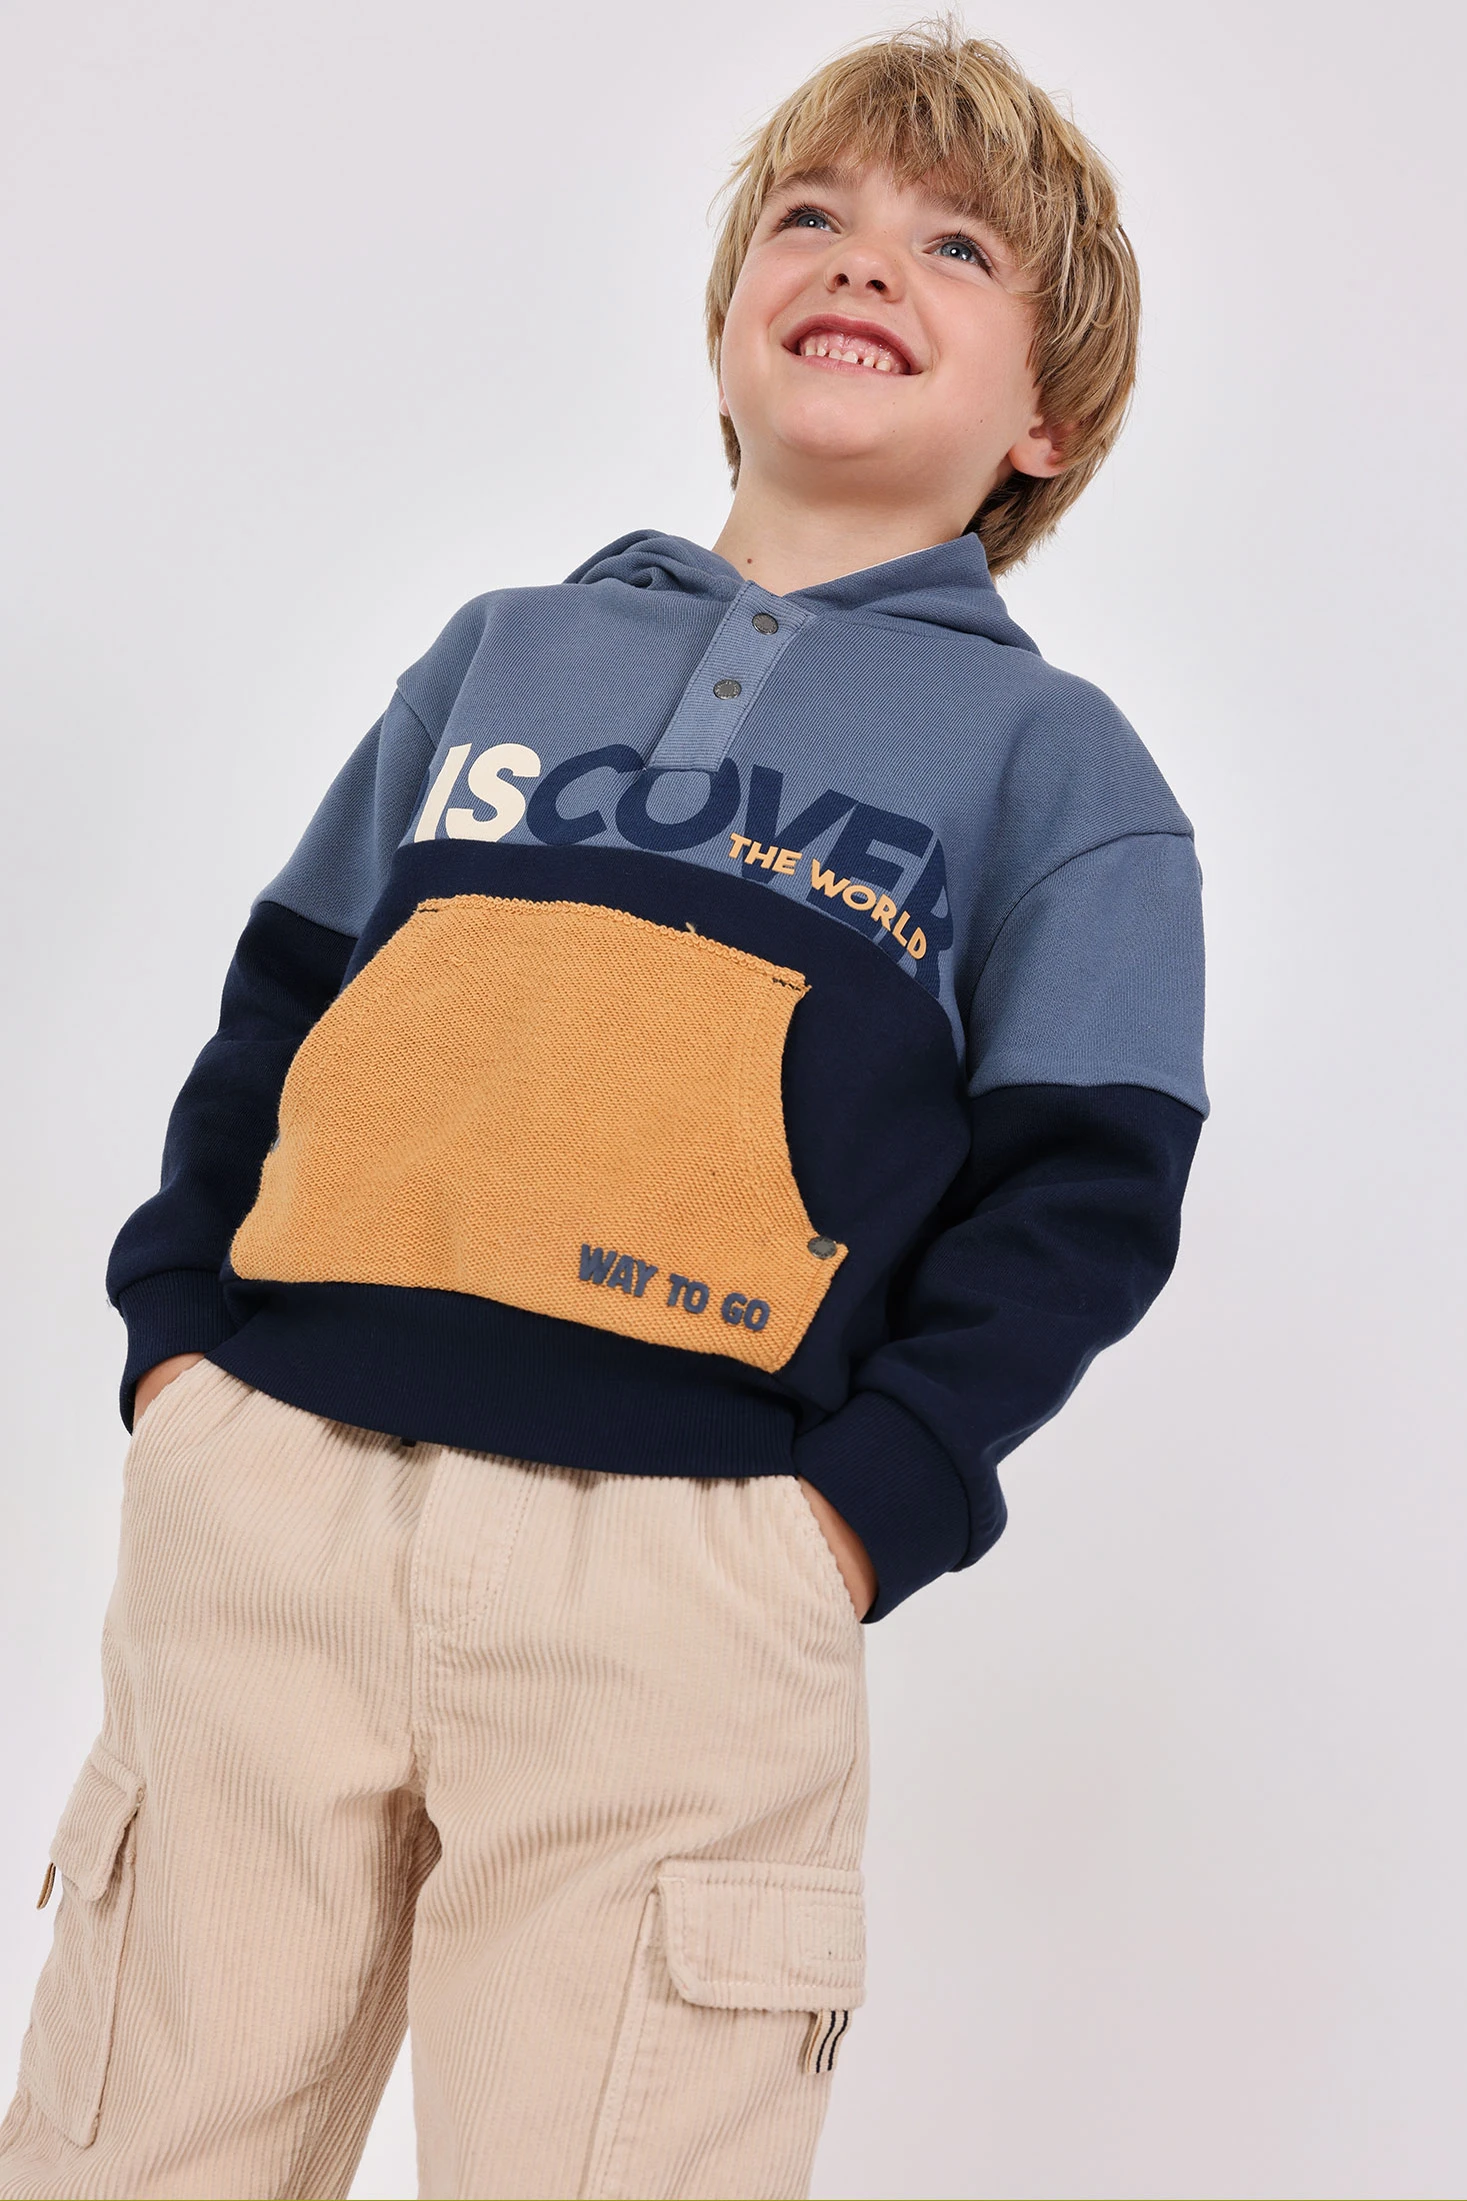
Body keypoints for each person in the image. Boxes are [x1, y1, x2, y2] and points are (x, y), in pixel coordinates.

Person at [0, 24, 1207, 2201]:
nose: (862, 259)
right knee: (126, 2150)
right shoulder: (500, 655)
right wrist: (181, 1355)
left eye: (956, 246)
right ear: (730, 318)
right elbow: (284, 1011)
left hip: (687, 1578)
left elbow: (1085, 1194)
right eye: (810, 215)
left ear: (1044, 417)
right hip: (276, 1510)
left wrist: (849, 1516)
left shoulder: (1061, 772)